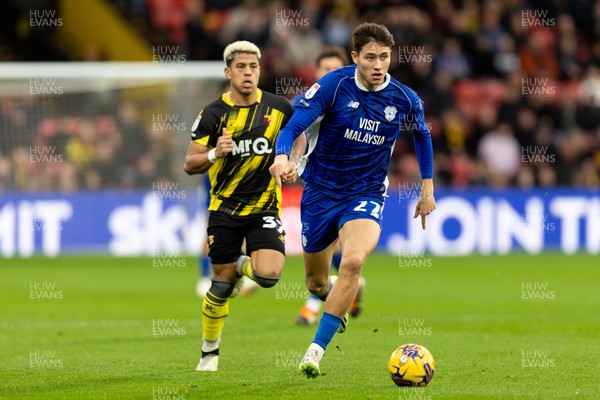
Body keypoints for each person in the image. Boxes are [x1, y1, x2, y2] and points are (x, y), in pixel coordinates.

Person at [270, 23, 436, 378]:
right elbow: (293, 126)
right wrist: (282, 157)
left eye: (385, 57)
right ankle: (338, 299)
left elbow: (422, 136)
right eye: (371, 57)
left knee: (353, 262)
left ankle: (315, 351)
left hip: (366, 193)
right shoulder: (335, 85)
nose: (379, 65)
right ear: (355, 57)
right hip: (320, 192)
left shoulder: (404, 98)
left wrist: (427, 189)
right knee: (315, 284)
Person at [184, 40, 303, 372]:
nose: (248, 73)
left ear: (260, 70)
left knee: (269, 275)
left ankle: (239, 267)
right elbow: (189, 163)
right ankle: (210, 351)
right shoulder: (212, 114)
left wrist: (293, 162)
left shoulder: (280, 108)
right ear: (228, 72)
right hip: (223, 209)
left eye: (253, 67)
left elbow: (301, 136)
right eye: (240, 67)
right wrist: (214, 154)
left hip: (265, 207)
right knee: (220, 287)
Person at [293, 47, 366, 326]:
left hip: (349, 189)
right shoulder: (304, 102)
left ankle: (317, 304)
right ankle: (348, 285)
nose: (330, 74)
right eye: (325, 69)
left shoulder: (358, 100)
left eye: (335, 68)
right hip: (314, 183)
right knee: (321, 251)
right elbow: (294, 134)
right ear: (316, 72)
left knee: (336, 244)